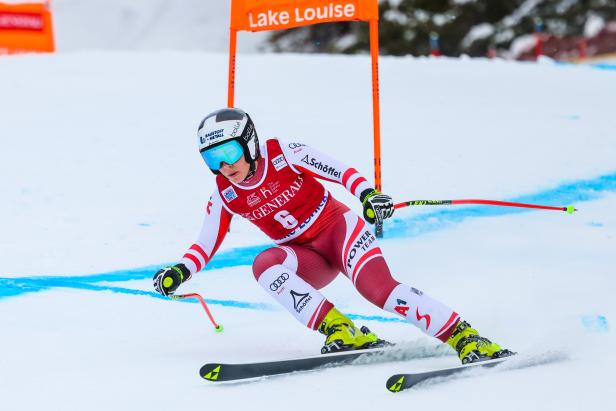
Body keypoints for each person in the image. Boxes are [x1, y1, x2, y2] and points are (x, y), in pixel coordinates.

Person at [153, 108, 512, 363]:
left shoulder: (283, 154)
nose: (225, 167)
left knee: (379, 291)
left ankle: (464, 336)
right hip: (306, 256)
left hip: (339, 232)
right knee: (265, 264)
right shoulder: (225, 193)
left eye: (230, 153)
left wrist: (368, 195)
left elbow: (339, 170)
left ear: (249, 143)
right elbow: (205, 241)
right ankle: (340, 329)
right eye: (212, 159)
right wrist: (180, 271)